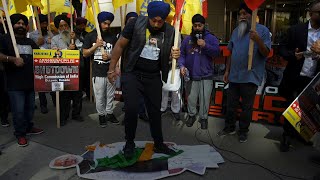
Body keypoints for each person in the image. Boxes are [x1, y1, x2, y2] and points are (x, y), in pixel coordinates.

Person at [107, 1, 180, 159]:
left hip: (153, 76)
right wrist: (112, 68)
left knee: (155, 112)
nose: (156, 23)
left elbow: (166, 55)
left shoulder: (170, 31)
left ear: (165, 19)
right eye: (153, 20)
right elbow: (119, 45)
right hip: (132, 73)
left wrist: (173, 56)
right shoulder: (135, 24)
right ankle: (129, 143)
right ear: (149, 16)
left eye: (160, 21)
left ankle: (159, 144)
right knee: (132, 109)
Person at [216, 3, 271, 143]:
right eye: (240, 14)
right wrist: (227, 70)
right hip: (234, 75)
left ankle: (243, 131)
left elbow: (266, 53)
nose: (241, 16)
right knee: (231, 105)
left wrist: (257, 39)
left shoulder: (262, 31)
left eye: (244, 13)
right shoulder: (236, 31)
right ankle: (229, 127)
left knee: (247, 107)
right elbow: (231, 53)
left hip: (250, 76)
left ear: (252, 15)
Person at [278, 1, 320, 152]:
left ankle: (303, 135)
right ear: (311, 13)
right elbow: (281, 48)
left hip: (313, 79)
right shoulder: (296, 30)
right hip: (295, 76)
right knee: (292, 107)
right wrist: (292, 55)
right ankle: (286, 136)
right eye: (319, 12)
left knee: (307, 110)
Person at [0, 13, 44, 147]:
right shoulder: (5, 39)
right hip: (14, 84)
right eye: (18, 23)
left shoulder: (30, 42)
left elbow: (40, 56)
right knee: (18, 111)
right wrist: (12, 59)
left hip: (30, 82)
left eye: (23, 24)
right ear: (11, 25)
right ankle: (20, 134)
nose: (21, 26)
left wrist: (51, 51)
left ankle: (29, 127)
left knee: (30, 109)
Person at [179, 14, 220, 129]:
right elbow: (182, 54)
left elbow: (217, 53)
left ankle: (203, 118)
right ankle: (191, 115)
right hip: (191, 75)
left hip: (206, 75)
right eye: (195, 25)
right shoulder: (187, 40)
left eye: (199, 25)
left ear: (204, 25)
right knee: (191, 98)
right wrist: (181, 65)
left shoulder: (211, 38)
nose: (197, 28)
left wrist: (205, 45)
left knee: (205, 99)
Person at [83, 12, 119, 127]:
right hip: (97, 72)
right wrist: (96, 46)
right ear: (99, 23)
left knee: (110, 95)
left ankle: (109, 112)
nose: (107, 26)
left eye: (109, 24)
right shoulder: (90, 36)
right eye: (104, 23)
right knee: (99, 95)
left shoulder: (113, 37)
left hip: (110, 71)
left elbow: (117, 53)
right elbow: (84, 53)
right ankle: (101, 115)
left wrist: (110, 56)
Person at [51, 14, 83, 126]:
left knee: (77, 95)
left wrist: (74, 40)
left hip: (75, 70)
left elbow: (82, 49)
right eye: (61, 26)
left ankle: (76, 114)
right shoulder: (55, 39)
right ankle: (63, 116)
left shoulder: (74, 36)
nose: (64, 28)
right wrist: (67, 50)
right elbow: (54, 53)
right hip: (62, 70)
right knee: (64, 96)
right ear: (58, 28)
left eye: (65, 25)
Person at [120, 12, 149, 123]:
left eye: (134, 20)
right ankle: (128, 116)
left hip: (140, 68)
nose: (132, 22)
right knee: (128, 95)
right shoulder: (122, 35)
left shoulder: (143, 34)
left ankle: (142, 113)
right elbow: (118, 51)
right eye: (129, 20)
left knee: (141, 93)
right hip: (127, 69)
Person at [29, 14, 54, 114]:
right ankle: (43, 105)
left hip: (49, 62)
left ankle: (55, 101)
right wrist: (38, 44)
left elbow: (54, 47)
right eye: (42, 23)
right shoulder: (32, 35)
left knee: (52, 82)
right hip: (38, 63)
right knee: (41, 85)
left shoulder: (50, 34)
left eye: (45, 23)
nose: (44, 25)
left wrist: (51, 42)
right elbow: (30, 49)